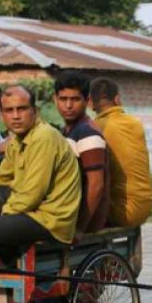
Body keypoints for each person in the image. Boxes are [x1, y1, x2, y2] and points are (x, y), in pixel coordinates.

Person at [0, 85, 81, 262]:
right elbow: (1, 181)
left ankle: (8, 258)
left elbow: (32, 195)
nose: (15, 116)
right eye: (9, 110)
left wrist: (1, 217)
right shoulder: (16, 138)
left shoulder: (44, 137)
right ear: (2, 114)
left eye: (21, 109)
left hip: (48, 218)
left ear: (34, 111)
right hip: (26, 206)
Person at [88, 77, 152, 227]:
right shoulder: (136, 124)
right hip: (145, 208)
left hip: (120, 212)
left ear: (90, 102)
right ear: (117, 99)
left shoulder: (94, 128)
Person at [52, 71, 109, 233]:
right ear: (55, 100)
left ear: (87, 101)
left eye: (75, 99)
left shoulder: (87, 133)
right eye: (63, 99)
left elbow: (96, 185)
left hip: (81, 221)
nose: (68, 106)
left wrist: (79, 228)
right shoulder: (67, 131)